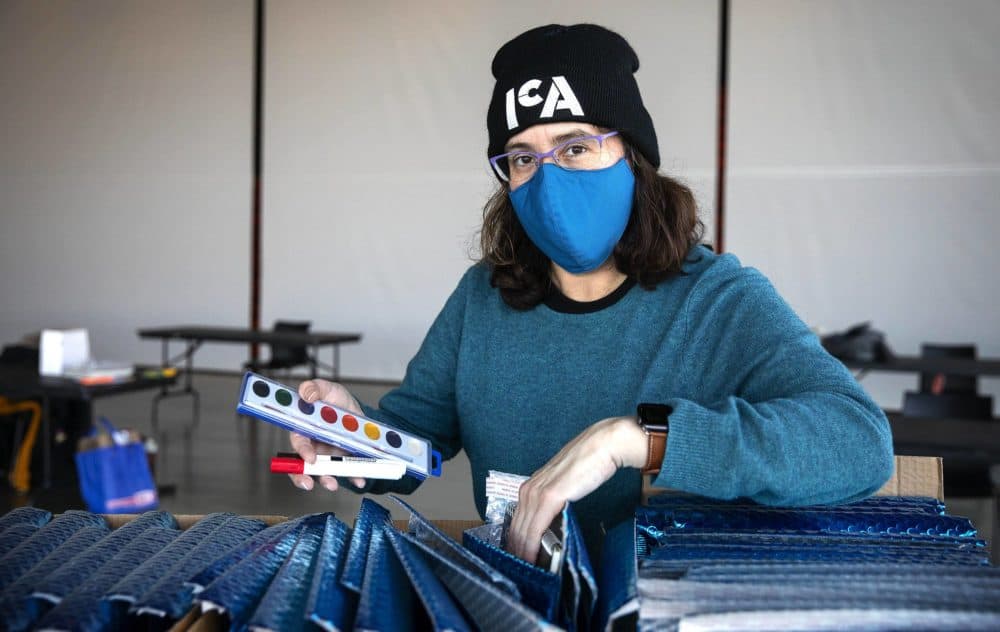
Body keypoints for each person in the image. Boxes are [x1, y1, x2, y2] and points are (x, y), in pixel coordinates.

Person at [288, 24, 894, 563]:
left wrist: (639, 439)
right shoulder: (483, 298)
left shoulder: (717, 300)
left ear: (633, 156)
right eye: (523, 158)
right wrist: (349, 433)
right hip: (519, 594)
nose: (549, 178)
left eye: (576, 147)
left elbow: (858, 441)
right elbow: (410, 448)